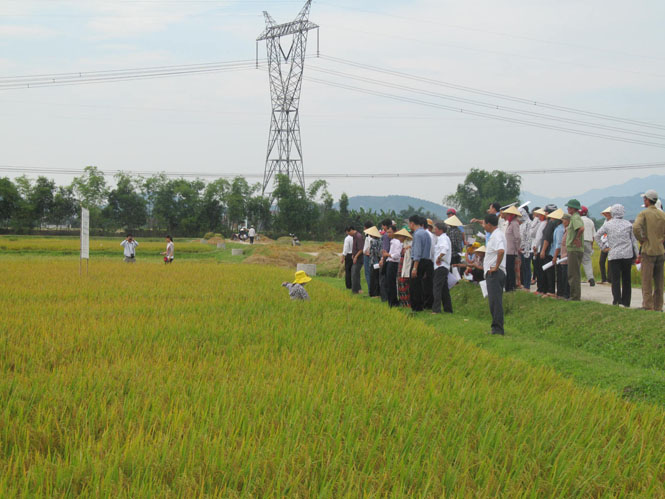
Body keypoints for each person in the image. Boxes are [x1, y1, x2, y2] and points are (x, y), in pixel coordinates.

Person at [596, 204, 639, 307]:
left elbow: (597, 235)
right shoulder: (628, 224)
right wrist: (637, 254)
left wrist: (603, 248)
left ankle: (616, 300)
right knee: (626, 279)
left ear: (612, 212)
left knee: (615, 280)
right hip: (627, 255)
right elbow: (633, 241)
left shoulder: (608, 224)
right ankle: (626, 302)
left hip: (614, 255)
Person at [633, 190, 665, 311]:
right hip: (660, 250)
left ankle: (647, 305)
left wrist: (641, 239)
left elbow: (635, 227)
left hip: (648, 250)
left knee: (646, 280)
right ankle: (658, 305)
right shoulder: (662, 214)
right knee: (659, 281)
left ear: (647, 200)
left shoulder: (644, 213)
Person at [483, 214, 507, 335]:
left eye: (484, 224)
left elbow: (501, 250)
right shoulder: (496, 235)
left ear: (489, 224)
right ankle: (496, 326)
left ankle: (497, 328)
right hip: (494, 272)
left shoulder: (497, 235)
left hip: (495, 273)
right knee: (494, 301)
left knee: (495, 301)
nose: (483, 226)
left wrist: (496, 266)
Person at [409, 215, 433, 311]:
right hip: (426, 260)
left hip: (418, 261)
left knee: (414, 285)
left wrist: (415, 267)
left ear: (412, 223)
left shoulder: (418, 234)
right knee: (420, 284)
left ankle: (416, 307)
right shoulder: (426, 233)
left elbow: (418, 252)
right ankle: (421, 304)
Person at [565, 199, 585, 301]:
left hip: (574, 249)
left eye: (569, 207)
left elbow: (581, 228)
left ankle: (575, 296)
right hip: (573, 249)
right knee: (573, 273)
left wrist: (577, 238)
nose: (568, 209)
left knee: (573, 274)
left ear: (573, 208)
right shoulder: (575, 217)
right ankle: (574, 295)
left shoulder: (575, 217)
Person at [432, 222, 453, 314]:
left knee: (437, 287)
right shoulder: (444, 238)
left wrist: (439, 258)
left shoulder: (442, 238)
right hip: (444, 266)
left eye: (435, 229)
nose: (434, 230)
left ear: (440, 230)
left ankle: (436, 309)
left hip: (441, 265)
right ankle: (448, 309)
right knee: (444, 289)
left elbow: (444, 249)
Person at [539, 206, 560, 296]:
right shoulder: (552, 222)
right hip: (549, 250)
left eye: (547, 212)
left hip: (548, 250)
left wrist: (543, 250)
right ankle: (547, 289)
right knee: (548, 271)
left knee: (548, 271)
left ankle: (550, 290)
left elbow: (547, 238)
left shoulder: (551, 223)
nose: (545, 214)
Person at [382, 225, 402, 307]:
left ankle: (393, 302)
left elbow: (396, 255)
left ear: (395, 232)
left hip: (393, 263)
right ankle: (391, 301)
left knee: (391, 283)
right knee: (389, 283)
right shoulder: (392, 241)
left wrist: (388, 254)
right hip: (389, 262)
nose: (388, 234)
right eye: (387, 232)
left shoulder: (396, 242)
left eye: (390, 232)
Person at [503, 206, 521, 292]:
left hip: (512, 250)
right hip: (508, 250)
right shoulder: (509, 223)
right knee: (508, 268)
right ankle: (508, 286)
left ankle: (511, 286)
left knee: (510, 269)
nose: (506, 216)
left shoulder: (515, 224)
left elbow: (517, 237)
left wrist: (517, 248)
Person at [553, 214, 569, 299]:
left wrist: (555, 256)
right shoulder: (563, 229)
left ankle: (563, 293)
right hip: (562, 255)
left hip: (563, 255)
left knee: (563, 275)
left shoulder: (561, 230)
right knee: (562, 275)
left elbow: (558, 244)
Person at [395, 228, 413, 308]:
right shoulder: (403, 244)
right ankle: (403, 302)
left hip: (406, 265)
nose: (399, 238)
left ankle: (407, 303)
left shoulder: (410, 244)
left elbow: (409, 258)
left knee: (405, 283)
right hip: (401, 264)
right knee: (400, 282)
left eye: (400, 236)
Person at [580, 206, 596, 286]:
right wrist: (592, 246)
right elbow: (593, 236)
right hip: (588, 242)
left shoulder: (577, 220)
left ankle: (576, 278)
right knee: (587, 261)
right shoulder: (590, 221)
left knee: (576, 261)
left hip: (579, 241)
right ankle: (590, 278)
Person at [365, 225, 383, 298]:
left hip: (374, 261)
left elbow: (374, 252)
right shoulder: (380, 241)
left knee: (373, 277)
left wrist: (369, 253)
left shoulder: (373, 241)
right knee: (377, 277)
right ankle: (377, 293)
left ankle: (374, 293)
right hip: (378, 261)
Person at [379, 218, 392, 302]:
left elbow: (385, 249)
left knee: (383, 279)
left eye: (383, 225)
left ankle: (384, 297)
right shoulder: (392, 235)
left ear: (385, 226)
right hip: (390, 259)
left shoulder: (386, 236)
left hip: (386, 258)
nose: (382, 227)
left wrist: (382, 260)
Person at [519, 207, 533, 289]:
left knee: (527, 267)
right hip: (522, 249)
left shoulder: (528, 223)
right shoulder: (522, 224)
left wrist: (526, 250)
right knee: (523, 267)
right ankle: (524, 284)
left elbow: (528, 238)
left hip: (527, 249)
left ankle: (527, 285)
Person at [599, 206, 613, 284]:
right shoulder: (605, 222)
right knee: (601, 261)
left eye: (608, 213)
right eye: (606, 213)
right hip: (604, 244)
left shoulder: (613, 222)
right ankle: (603, 278)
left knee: (610, 262)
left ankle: (609, 279)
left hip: (610, 244)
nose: (607, 215)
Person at [350, 226, 365, 294]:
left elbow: (361, 249)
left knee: (355, 273)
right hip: (355, 257)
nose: (349, 235)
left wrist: (356, 257)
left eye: (348, 233)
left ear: (351, 230)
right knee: (354, 273)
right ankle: (357, 289)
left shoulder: (358, 236)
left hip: (359, 258)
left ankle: (356, 290)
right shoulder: (354, 236)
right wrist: (353, 255)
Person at [362, 221, 374, 292]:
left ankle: (371, 290)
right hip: (367, 254)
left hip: (368, 256)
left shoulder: (370, 236)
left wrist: (369, 252)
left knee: (368, 273)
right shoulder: (368, 235)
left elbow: (371, 245)